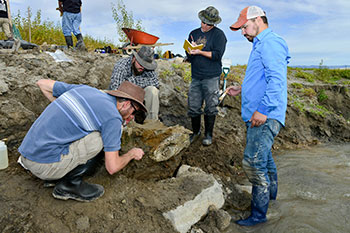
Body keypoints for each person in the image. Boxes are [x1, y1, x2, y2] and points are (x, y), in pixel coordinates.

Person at [18, 79, 147, 202]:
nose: (132, 117)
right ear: (126, 104)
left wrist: (65, 112)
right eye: (134, 112)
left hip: (27, 153)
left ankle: (57, 172)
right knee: (99, 138)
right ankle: (69, 184)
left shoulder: (85, 90)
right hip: (42, 166)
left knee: (87, 128)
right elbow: (112, 168)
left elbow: (42, 84)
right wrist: (131, 154)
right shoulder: (113, 118)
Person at [227, 6, 290, 226]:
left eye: (245, 26)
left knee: (253, 163)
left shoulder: (270, 42)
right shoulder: (260, 44)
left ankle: (259, 216)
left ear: (258, 20)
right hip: (263, 113)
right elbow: (263, 78)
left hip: (265, 115)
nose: (243, 32)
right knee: (266, 161)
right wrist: (241, 89)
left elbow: (277, 81)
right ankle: (271, 203)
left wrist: (262, 110)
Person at [185, 6, 227, 146]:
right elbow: (189, 56)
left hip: (211, 76)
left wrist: (200, 51)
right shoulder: (193, 33)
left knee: (210, 106)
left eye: (209, 24)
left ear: (214, 23)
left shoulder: (219, 35)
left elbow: (217, 55)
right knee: (194, 105)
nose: (205, 25)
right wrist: (190, 52)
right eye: (204, 22)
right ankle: (195, 132)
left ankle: (208, 134)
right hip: (196, 76)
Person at [109, 46, 159, 121]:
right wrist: (132, 89)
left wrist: (130, 83)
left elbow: (155, 82)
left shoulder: (148, 68)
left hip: (139, 96)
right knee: (125, 93)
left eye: (145, 65)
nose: (143, 67)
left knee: (153, 90)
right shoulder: (122, 65)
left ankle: (151, 122)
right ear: (135, 58)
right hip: (123, 97)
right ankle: (125, 120)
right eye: (141, 64)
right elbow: (116, 87)